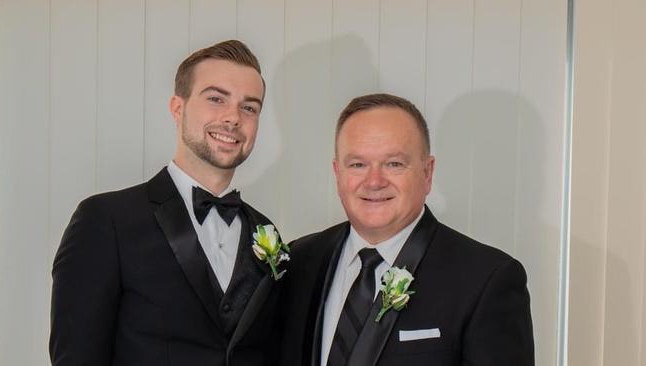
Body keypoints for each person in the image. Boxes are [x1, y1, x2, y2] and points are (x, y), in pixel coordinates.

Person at [50, 40, 284, 366]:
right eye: (216, 99)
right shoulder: (105, 220)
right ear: (178, 108)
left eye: (249, 107)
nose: (233, 118)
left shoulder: (267, 232)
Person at [280, 93, 534, 365]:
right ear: (337, 173)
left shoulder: (486, 279)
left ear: (427, 173)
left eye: (394, 164)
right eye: (358, 164)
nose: (374, 181)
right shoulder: (300, 260)